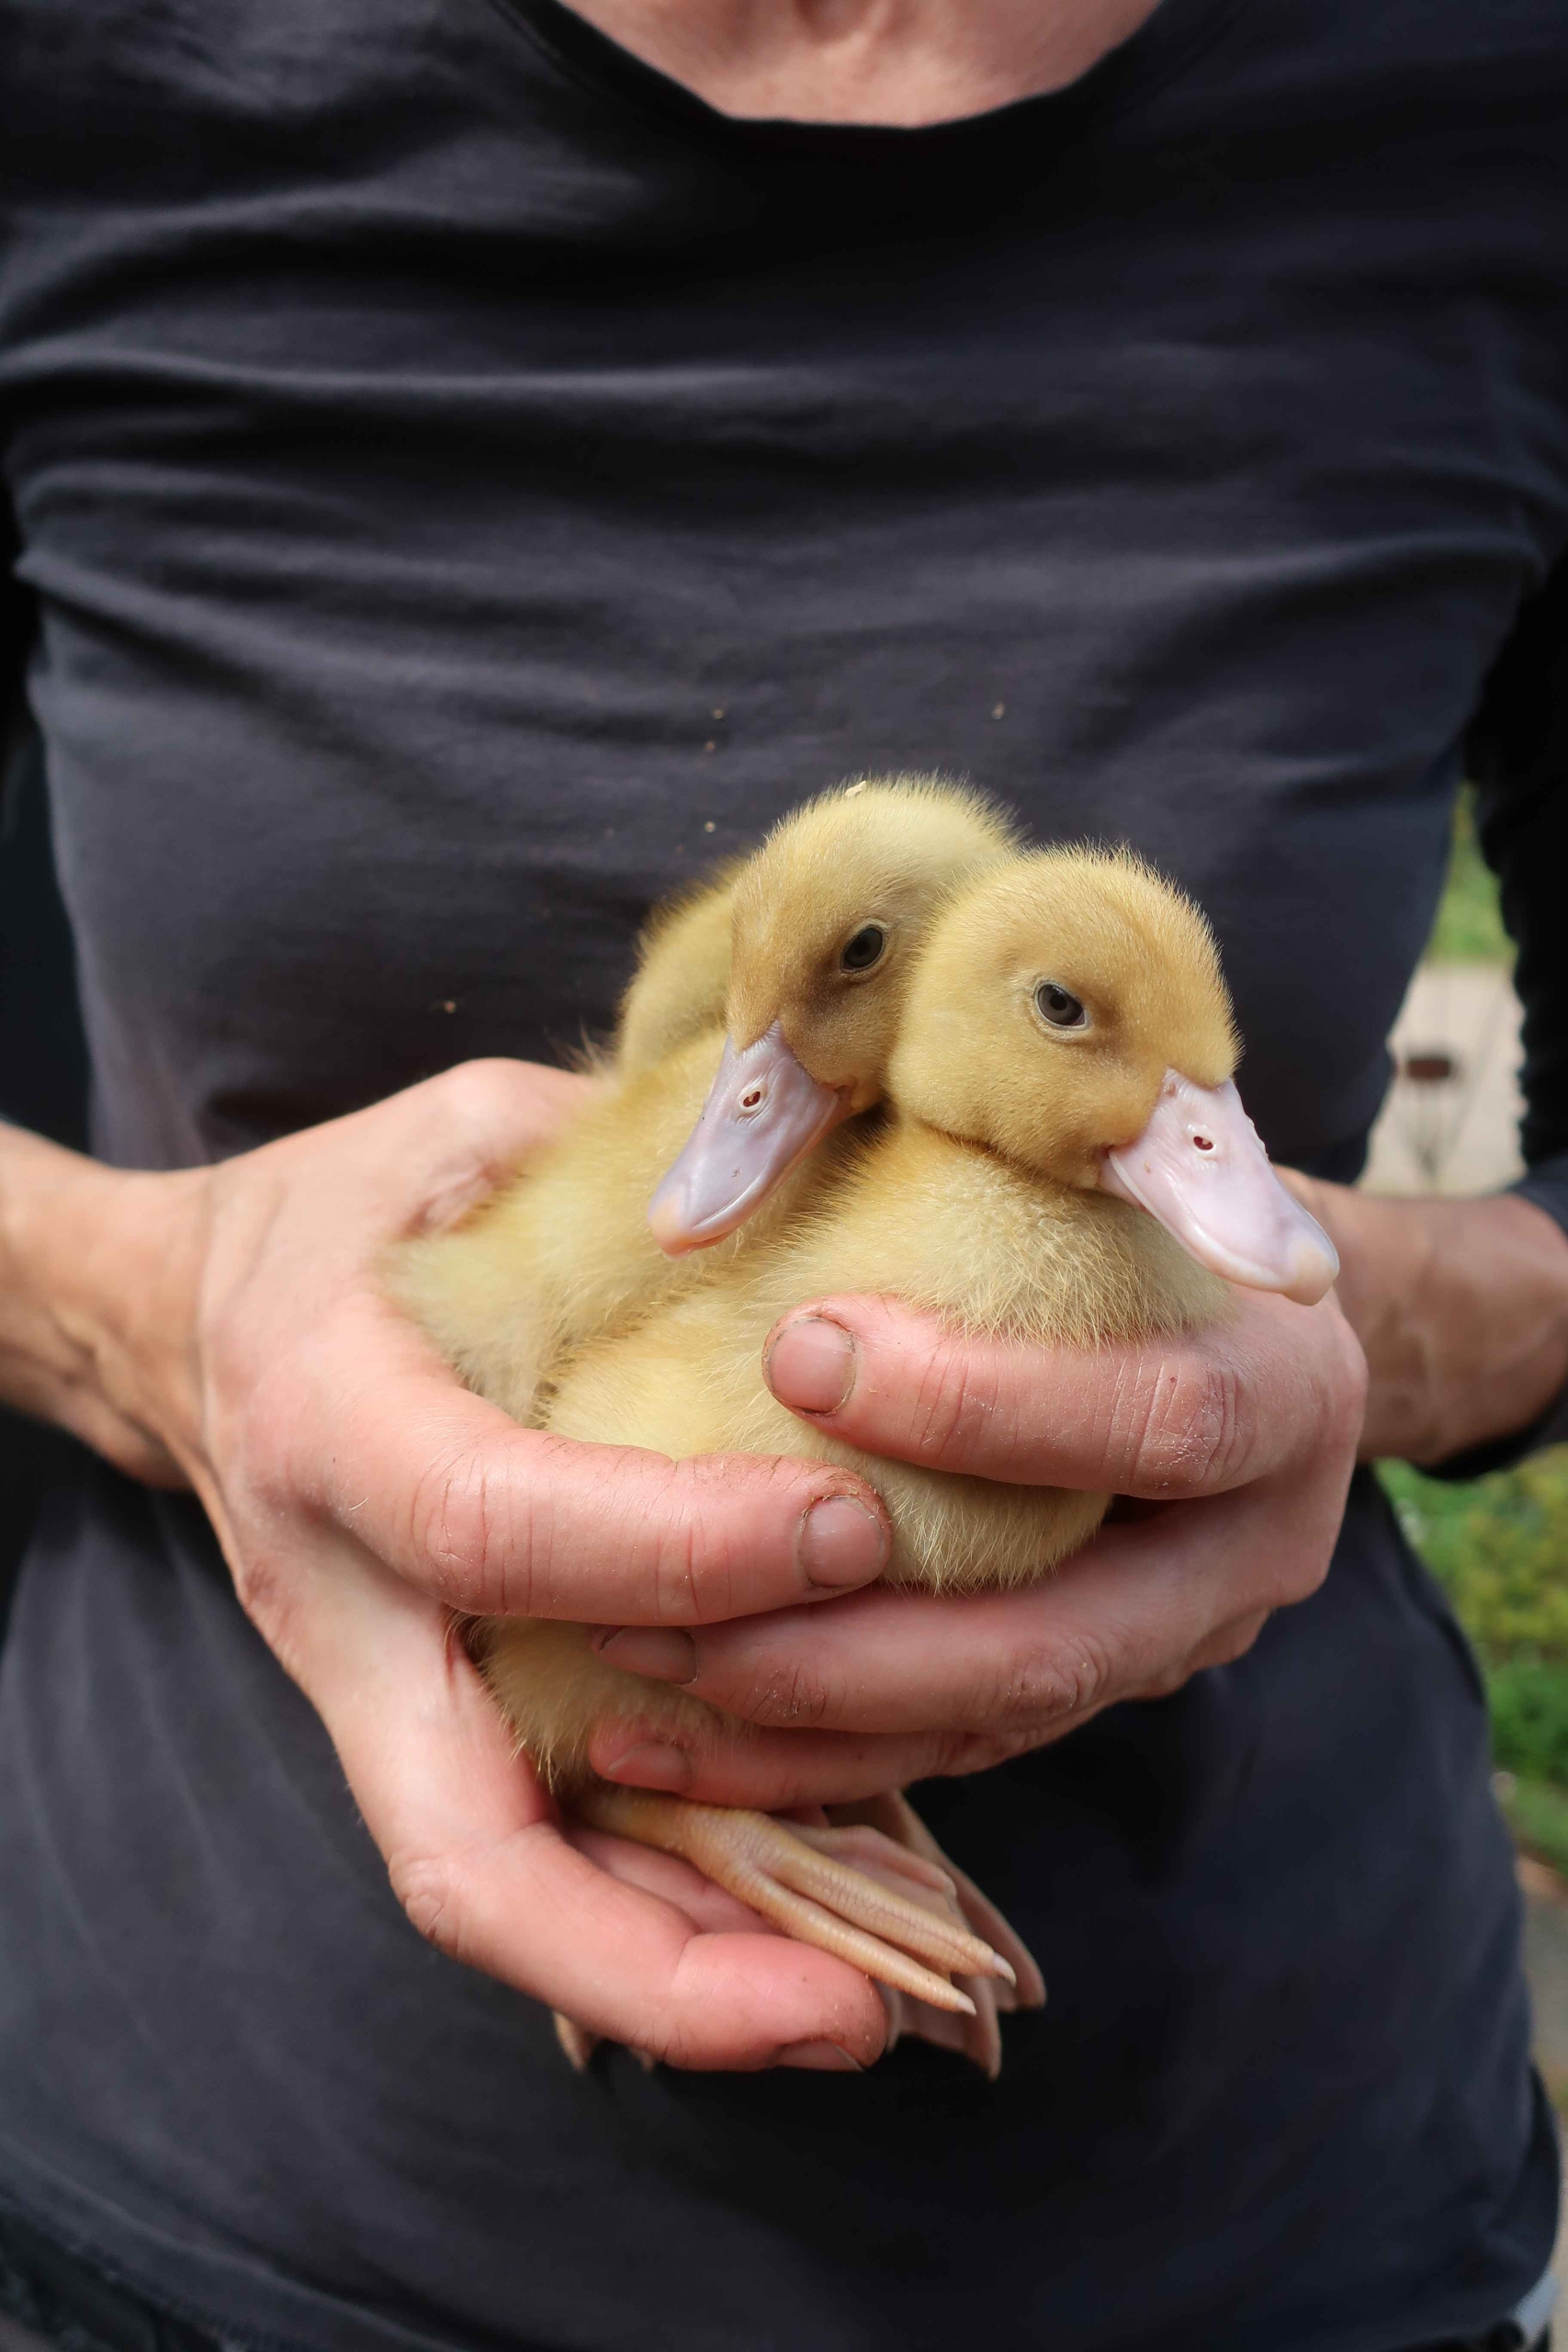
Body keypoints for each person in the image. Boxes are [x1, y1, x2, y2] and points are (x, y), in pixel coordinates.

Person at [0, 0, 1566, 2345]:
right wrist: (145, 1300)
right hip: (193, 2195)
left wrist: (1367, 1326)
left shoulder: (1496, 106)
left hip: (1265, 2211)